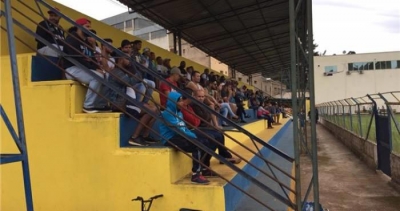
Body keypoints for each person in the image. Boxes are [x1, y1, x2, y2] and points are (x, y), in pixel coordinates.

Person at [159, 92, 210, 184]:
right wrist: (193, 138)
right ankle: (196, 175)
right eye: (180, 101)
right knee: (196, 145)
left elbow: (184, 128)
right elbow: (178, 130)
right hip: (170, 138)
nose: (182, 102)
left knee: (205, 141)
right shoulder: (167, 113)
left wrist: (193, 135)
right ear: (173, 102)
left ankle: (203, 168)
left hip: (180, 136)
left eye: (182, 100)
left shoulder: (179, 113)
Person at [63, 18, 108, 113]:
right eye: (87, 27)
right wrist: (94, 68)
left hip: (84, 68)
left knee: (107, 75)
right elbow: (77, 59)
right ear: (79, 27)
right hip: (72, 68)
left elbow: (92, 58)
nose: (89, 29)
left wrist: (98, 68)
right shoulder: (72, 39)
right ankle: (88, 105)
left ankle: (99, 104)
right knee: (97, 77)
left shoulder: (86, 41)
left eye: (90, 27)